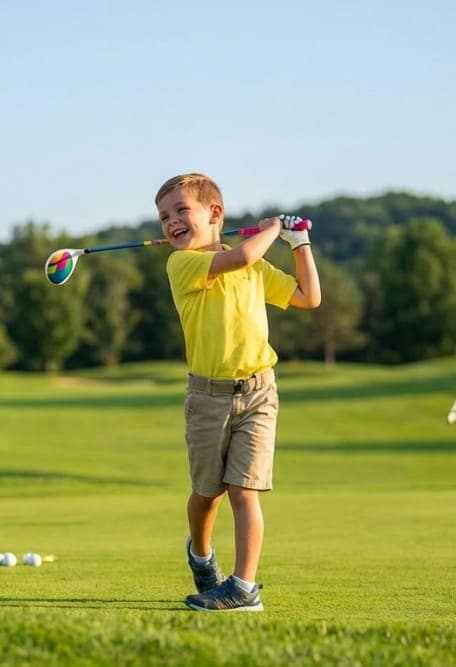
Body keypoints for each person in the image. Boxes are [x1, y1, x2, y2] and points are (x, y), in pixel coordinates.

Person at [155, 173, 321, 612]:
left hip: (259, 393)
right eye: (164, 216)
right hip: (207, 397)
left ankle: (243, 588)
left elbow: (309, 297)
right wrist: (272, 228)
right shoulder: (183, 265)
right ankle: (201, 553)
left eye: (180, 211)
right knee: (207, 493)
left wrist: (299, 243)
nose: (170, 222)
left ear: (215, 215)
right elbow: (244, 253)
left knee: (243, 490)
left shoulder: (254, 268)